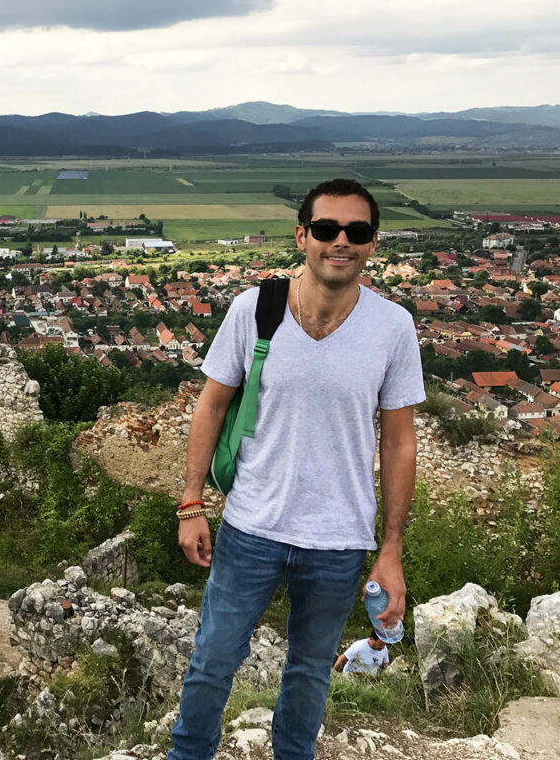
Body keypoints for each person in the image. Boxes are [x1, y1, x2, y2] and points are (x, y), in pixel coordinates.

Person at [166, 179, 424, 760]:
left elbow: (399, 442)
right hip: (251, 525)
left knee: (309, 672)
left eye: (356, 232)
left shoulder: (392, 327)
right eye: (327, 229)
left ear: (372, 243)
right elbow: (210, 404)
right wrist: (191, 502)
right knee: (213, 660)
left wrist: (392, 548)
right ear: (302, 235)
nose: (341, 242)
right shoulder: (256, 308)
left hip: (338, 539)